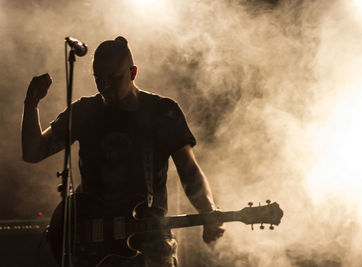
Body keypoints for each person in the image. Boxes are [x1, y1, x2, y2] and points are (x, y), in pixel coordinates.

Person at [21, 36, 224, 266]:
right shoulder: (84, 112)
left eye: (114, 78)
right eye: (99, 79)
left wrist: (208, 210)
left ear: (133, 72)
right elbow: (33, 152)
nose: (105, 86)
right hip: (91, 248)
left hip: (149, 244)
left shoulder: (161, 112)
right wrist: (31, 104)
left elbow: (189, 170)